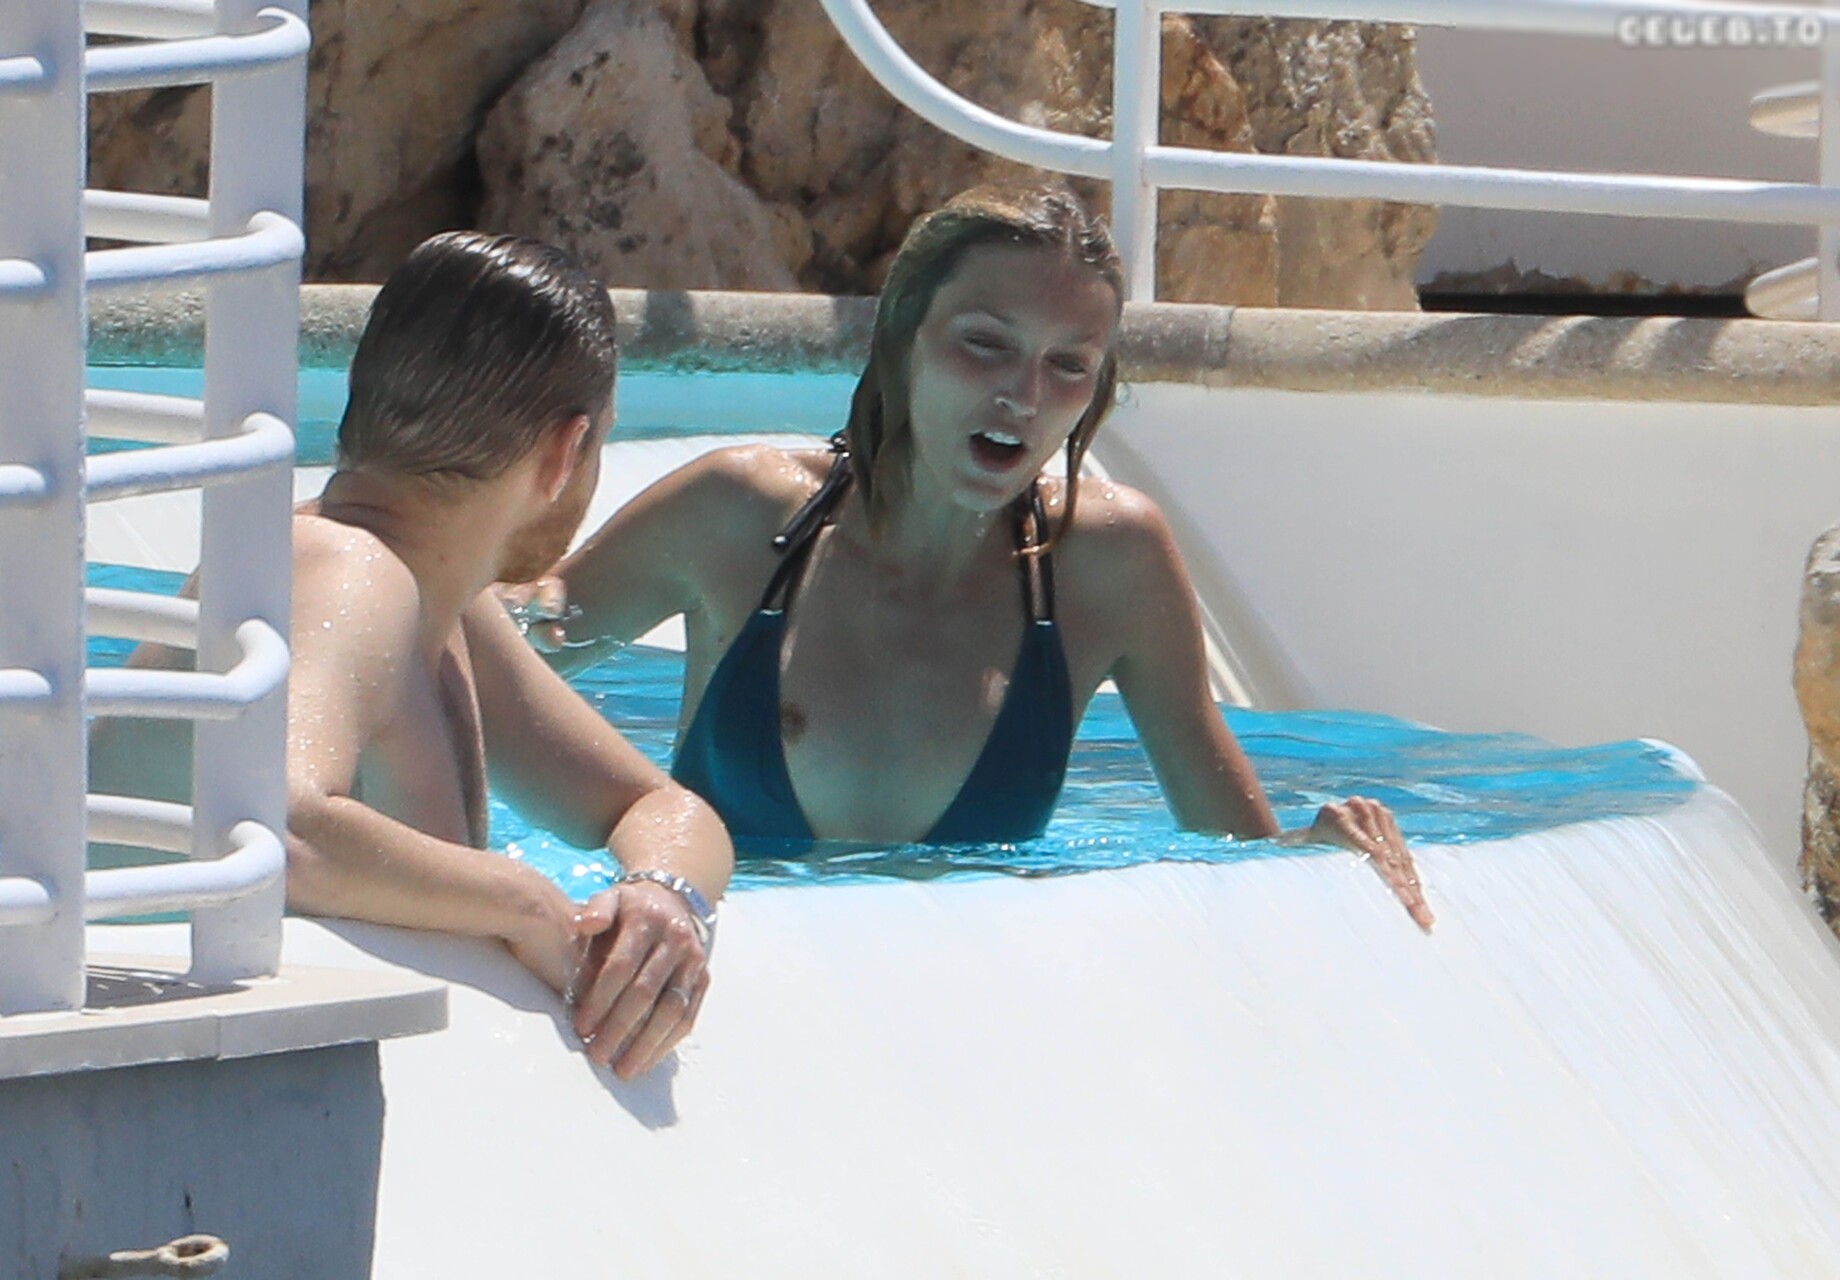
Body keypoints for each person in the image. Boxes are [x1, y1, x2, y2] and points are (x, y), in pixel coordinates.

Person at [506, 186, 1432, 929]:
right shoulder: (736, 515)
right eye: (985, 345)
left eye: (1067, 365)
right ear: (902, 338)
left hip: (966, 1025)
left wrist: (1317, 856)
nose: (1022, 397)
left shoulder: (1111, 565)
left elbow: (1233, 851)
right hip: (729, 1002)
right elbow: (502, 644)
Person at [91, 232, 734, 1078]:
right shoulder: (341, 569)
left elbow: (655, 805)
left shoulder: (443, 601)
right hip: (145, 1072)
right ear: (564, 453)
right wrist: (530, 906)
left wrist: (662, 897)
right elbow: (273, 830)